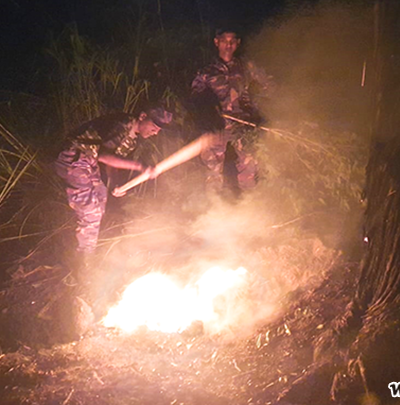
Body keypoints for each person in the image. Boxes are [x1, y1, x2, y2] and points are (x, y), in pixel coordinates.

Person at [55, 107, 173, 256]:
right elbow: (104, 156)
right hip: (75, 158)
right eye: (154, 127)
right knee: (91, 212)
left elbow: (112, 160)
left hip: (89, 162)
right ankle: (83, 257)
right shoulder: (122, 124)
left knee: (101, 197)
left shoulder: (132, 141)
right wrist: (140, 166)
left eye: (159, 130)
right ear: (143, 116)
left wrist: (116, 183)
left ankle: (83, 243)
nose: (155, 132)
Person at [190, 27, 273, 193]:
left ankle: (250, 202)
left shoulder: (246, 67)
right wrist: (208, 113)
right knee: (212, 169)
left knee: (250, 166)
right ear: (216, 42)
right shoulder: (207, 71)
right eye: (224, 41)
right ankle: (213, 204)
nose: (228, 45)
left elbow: (268, 86)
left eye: (232, 41)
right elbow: (195, 97)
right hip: (217, 125)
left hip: (242, 124)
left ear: (238, 43)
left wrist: (258, 110)